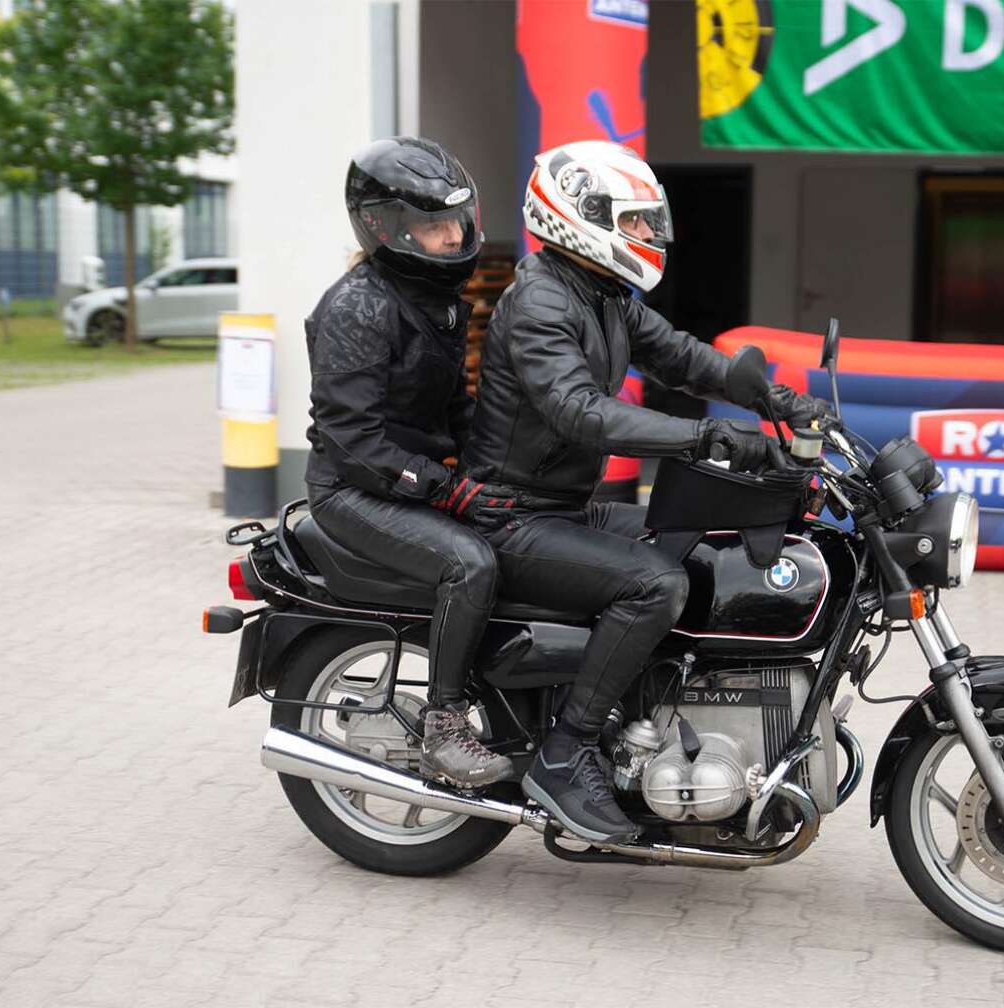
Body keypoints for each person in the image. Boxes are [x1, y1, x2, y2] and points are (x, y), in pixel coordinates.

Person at [454, 140, 829, 843]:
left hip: (557, 504)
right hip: (511, 514)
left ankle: (649, 722)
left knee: (696, 551)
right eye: (631, 222)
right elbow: (580, 411)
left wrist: (777, 398)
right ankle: (567, 752)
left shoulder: (601, 292)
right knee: (654, 584)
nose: (647, 236)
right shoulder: (540, 301)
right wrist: (705, 438)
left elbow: (681, 355)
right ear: (579, 217)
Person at [303, 137, 512, 788]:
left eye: (456, 221)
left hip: (405, 482)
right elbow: (354, 440)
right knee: (467, 564)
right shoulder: (358, 309)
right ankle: (443, 727)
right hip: (353, 490)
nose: (453, 236)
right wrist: (447, 490)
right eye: (433, 226)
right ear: (384, 228)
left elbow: (455, 411)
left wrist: (510, 467)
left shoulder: (437, 302)